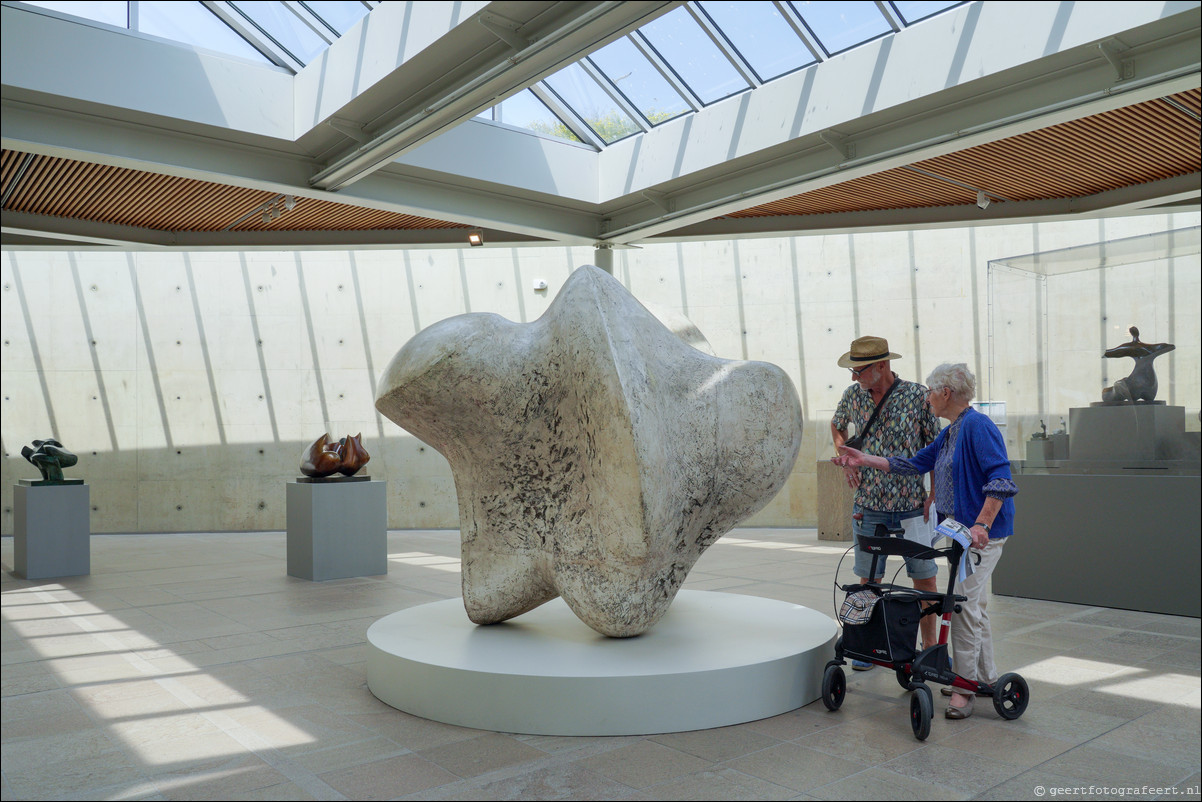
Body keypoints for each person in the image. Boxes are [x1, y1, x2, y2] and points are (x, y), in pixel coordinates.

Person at [832, 362, 1017, 720]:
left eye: (932, 391)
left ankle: (963, 687)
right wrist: (865, 458)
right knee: (972, 603)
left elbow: (1000, 478)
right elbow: (913, 464)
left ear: (946, 393)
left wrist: (981, 524)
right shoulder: (951, 432)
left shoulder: (978, 426)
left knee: (961, 606)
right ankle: (986, 677)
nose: (927, 397)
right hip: (963, 535)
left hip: (982, 536)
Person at [830, 335, 940, 667]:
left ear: (882, 365)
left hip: (912, 506)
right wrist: (844, 454)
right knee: (868, 579)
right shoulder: (853, 396)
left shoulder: (918, 396)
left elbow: (935, 447)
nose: (853, 377)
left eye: (859, 370)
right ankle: (866, 646)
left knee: (925, 578)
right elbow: (836, 426)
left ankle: (931, 649)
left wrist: (934, 493)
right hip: (868, 506)